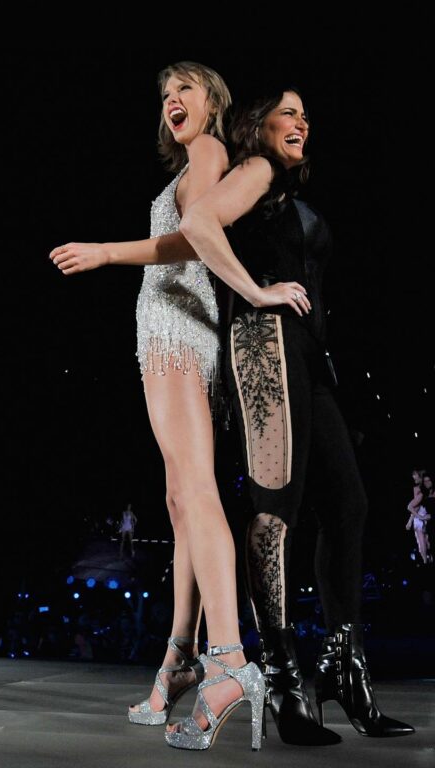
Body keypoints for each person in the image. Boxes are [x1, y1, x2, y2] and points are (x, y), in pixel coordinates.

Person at [51, 61, 279, 752]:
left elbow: (194, 238)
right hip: (167, 329)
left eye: (185, 88)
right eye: (165, 94)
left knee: (195, 493)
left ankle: (231, 661)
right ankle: (185, 657)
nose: (173, 100)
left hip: (179, 325)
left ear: (213, 101)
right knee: (182, 498)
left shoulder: (209, 150)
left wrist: (105, 252)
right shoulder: (189, 159)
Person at [177, 85, 415, 742]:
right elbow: (198, 223)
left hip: (307, 359)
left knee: (349, 505)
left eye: (307, 113)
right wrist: (255, 290)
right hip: (264, 345)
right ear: (258, 124)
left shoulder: (282, 193)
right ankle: (284, 681)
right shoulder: (254, 170)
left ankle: (343, 666)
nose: (302, 121)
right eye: (289, 111)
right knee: (276, 509)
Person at [407, 471, 433, 563]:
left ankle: (427, 561)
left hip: (423, 515)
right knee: (423, 543)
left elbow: (415, 507)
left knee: (425, 543)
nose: (414, 478)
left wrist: (411, 520)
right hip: (422, 515)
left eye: (415, 476)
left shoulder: (420, 489)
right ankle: (426, 562)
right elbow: (414, 506)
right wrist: (411, 520)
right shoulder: (419, 490)